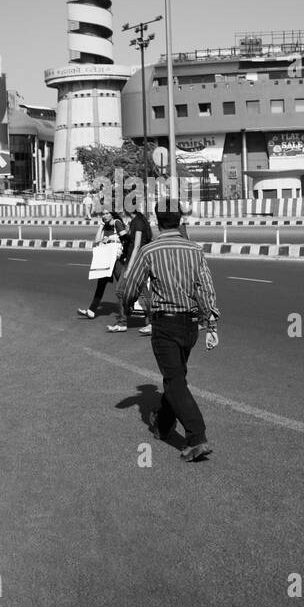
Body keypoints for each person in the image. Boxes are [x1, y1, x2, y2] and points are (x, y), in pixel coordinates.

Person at [117, 198, 220, 462]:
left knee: (175, 382)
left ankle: (197, 436)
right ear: (180, 220)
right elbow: (206, 288)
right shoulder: (195, 250)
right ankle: (162, 425)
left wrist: (127, 307)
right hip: (190, 326)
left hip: (165, 324)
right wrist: (211, 324)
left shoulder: (149, 252)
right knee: (175, 378)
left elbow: (130, 287)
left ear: (156, 221)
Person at [107, 200, 153, 333]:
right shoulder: (136, 221)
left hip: (136, 262)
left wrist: (129, 267)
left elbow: (137, 245)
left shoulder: (138, 222)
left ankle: (129, 322)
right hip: (136, 261)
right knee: (141, 293)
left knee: (122, 291)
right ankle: (128, 322)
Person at [78, 211, 127, 319]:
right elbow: (97, 240)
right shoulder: (105, 226)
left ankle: (127, 310)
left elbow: (125, 238)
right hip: (106, 257)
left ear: (112, 214)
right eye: (102, 214)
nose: (104, 216)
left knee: (122, 284)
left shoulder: (117, 223)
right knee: (101, 284)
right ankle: (91, 310)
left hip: (116, 258)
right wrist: (101, 226)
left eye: (106, 213)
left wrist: (109, 238)